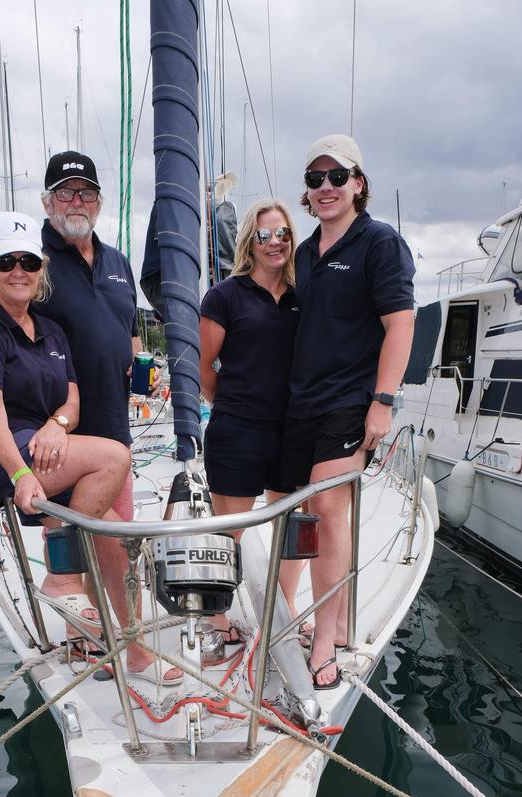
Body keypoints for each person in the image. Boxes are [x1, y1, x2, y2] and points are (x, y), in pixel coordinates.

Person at [0, 155, 181, 682]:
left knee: (113, 546)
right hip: (60, 443)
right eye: (65, 193)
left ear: (99, 201)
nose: (77, 202)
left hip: (101, 424)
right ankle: (92, 648)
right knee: (105, 542)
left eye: (86, 193)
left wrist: (142, 364)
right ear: (48, 203)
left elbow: (126, 328)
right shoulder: (34, 253)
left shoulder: (118, 264)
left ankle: (126, 650)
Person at [0, 210, 131, 643]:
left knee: (115, 540)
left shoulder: (50, 330)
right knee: (113, 457)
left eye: (28, 262)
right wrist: (21, 473)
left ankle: (132, 650)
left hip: (41, 446)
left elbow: (72, 399)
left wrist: (57, 425)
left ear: (42, 267)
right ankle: (63, 578)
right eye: (6, 262)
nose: (18, 272)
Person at [280, 134, 415, 690]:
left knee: (329, 513)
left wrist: (382, 402)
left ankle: (326, 638)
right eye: (316, 179)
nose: (326, 187)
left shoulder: (379, 243)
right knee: (294, 513)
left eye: (338, 176)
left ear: (359, 184)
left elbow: (400, 324)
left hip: (349, 404)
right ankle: (282, 612)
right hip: (299, 405)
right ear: (307, 193)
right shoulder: (303, 255)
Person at [199, 198, 306, 661]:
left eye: (283, 233)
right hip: (238, 428)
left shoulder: (305, 296)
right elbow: (203, 367)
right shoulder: (225, 295)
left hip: (293, 430)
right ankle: (217, 620)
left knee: (290, 528)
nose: (275, 242)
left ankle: (279, 617)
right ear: (250, 241)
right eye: (265, 235)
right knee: (231, 534)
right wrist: (231, 405)